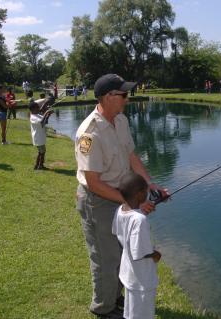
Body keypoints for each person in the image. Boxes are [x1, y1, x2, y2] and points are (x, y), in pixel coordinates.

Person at [75, 74, 168, 319]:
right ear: (108, 97)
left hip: (122, 197)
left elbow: (131, 157)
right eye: (123, 95)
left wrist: (150, 185)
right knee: (106, 257)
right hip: (99, 200)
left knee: (121, 251)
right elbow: (93, 183)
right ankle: (103, 309)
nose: (127, 99)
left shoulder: (121, 120)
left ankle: (115, 299)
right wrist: (131, 203)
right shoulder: (89, 133)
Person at [112, 173, 161, 319]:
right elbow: (139, 251)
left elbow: (116, 231)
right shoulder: (139, 220)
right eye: (146, 191)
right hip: (142, 277)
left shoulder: (120, 209)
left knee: (132, 310)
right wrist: (155, 254)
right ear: (140, 194)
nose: (148, 194)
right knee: (143, 313)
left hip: (128, 271)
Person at [29, 100, 54, 170]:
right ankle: (40, 166)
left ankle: (38, 165)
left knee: (42, 151)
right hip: (38, 137)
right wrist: (46, 112)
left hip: (41, 137)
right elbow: (41, 121)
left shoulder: (37, 115)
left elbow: (44, 122)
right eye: (37, 108)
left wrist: (48, 114)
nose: (39, 109)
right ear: (33, 109)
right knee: (42, 152)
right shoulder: (33, 117)